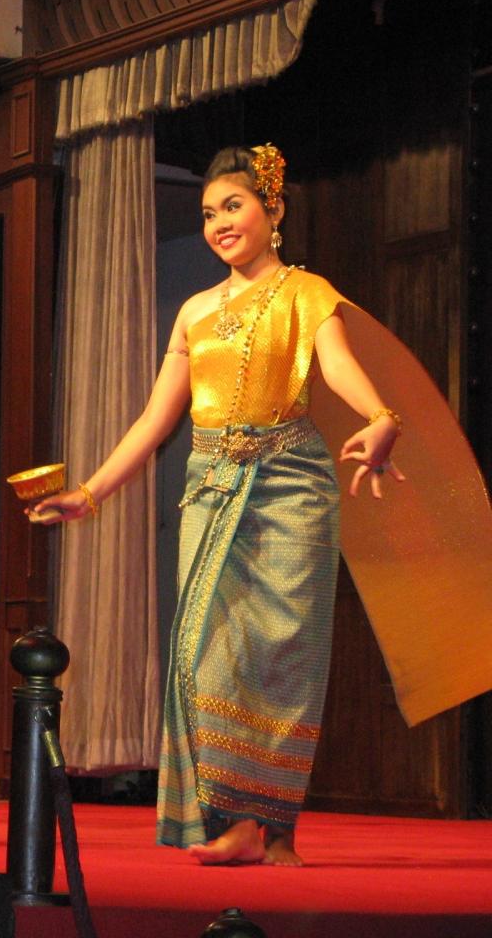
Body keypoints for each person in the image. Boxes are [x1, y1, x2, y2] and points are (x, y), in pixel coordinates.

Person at [32, 144, 406, 866]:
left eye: (233, 206)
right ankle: (232, 817)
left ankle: (269, 824)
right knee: (203, 657)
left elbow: (338, 367)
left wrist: (381, 416)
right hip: (211, 488)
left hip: (292, 485)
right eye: (208, 214)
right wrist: (89, 492)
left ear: (274, 209)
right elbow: (155, 419)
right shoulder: (194, 312)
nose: (219, 224)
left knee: (282, 656)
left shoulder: (306, 292)